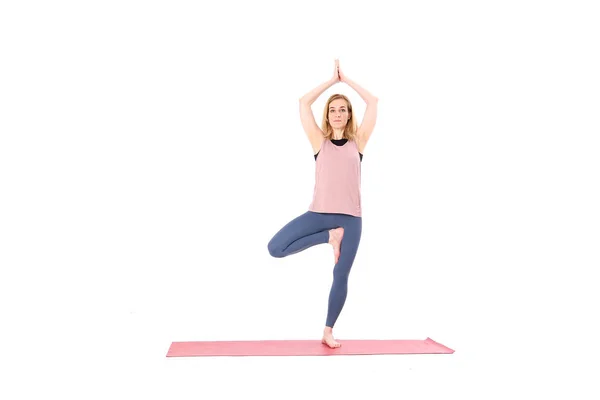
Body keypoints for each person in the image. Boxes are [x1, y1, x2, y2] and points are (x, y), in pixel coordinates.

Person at [267, 59, 378, 348]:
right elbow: (304, 103)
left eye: (343, 109)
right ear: (327, 116)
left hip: (351, 220)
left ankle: (328, 331)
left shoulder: (359, 142)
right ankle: (329, 237)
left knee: (341, 273)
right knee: (275, 248)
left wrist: (348, 81)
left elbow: (373, 101)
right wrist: (332, 82)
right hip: (318, 215)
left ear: (349, 114)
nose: (338, 113)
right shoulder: (319, 142)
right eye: (333, 110)